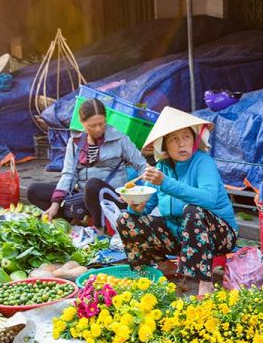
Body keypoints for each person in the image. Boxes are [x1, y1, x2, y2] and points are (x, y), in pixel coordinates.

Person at [117, 107, 237, 297]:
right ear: (163, 145)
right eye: (174, 139)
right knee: (125, 219)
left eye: (187, 137)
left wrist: (166, 182)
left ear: (194, 140)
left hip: (219, 235)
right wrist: (134, 206)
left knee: (193, 210)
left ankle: (205, 283)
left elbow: (208, 198)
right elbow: (146, 207)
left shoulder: (203, 162)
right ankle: (163, 266)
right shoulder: (160, 168)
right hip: (180, 236)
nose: (182, 143)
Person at [27, 99, 149, 230]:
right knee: (34, 190)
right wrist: (55, 203)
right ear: (82, 122)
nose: (98, 129)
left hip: (113, 197)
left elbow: (142, 166)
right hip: (84, 196)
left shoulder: (119, 138)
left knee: (92, 185)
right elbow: (69, 174)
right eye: (92, 126)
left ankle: (99, 229)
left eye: (101, 124)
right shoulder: (74, 143)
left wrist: (144, 192)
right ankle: (66, 219)